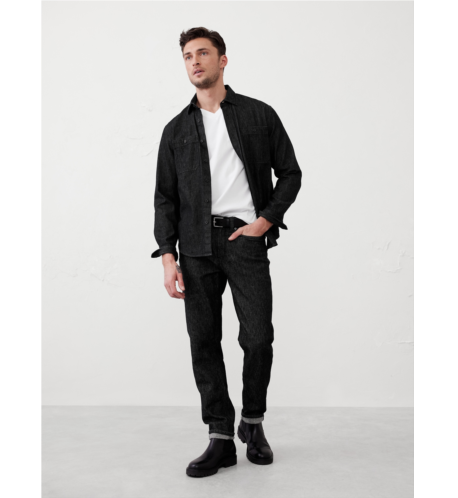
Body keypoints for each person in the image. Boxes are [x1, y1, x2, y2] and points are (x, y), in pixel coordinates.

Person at [151, 26, 302, 478]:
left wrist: (264, 222)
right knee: (204, 341)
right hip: (195, 247)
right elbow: (165, 199)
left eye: (203, 53)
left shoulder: (258, 115)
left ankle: (252, 422)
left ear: (222, 60)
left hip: (244, 240)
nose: (194, 61)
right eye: (187, 56)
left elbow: (290, 173)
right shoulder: (175, 129)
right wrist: (168, 257)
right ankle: (219, 435)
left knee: (257, 338)